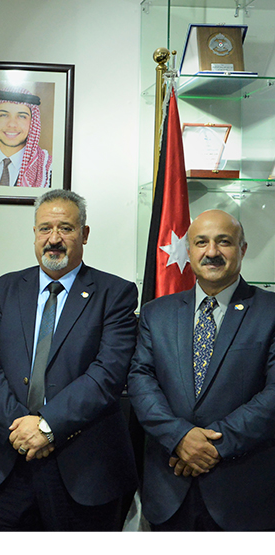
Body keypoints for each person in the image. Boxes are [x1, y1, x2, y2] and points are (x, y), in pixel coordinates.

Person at [0, 189, 138, 530]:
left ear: (84, 234)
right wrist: (20, 427)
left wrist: (46, 426)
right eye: (45, 228)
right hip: (10, 460)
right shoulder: (5, 289)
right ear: (35, 233)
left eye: (66, 228)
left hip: (83, 468)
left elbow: (108, 374)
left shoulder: (115, 294)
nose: (54, 239)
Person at [128, 209, 275, 531]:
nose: (212, 252)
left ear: (242, 249)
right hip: (169, 486)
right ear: (189, 250)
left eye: (224, 242)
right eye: (201, 242)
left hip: (243, 492)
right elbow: (141, 380)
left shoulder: (270, 311)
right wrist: (179, 436)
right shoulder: (156, 313)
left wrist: (210, 446)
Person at [0, 88, 52, 188]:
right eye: (4, 115)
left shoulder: (47, 171)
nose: (12, 124)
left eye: (22, 116)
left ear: (32, 123)